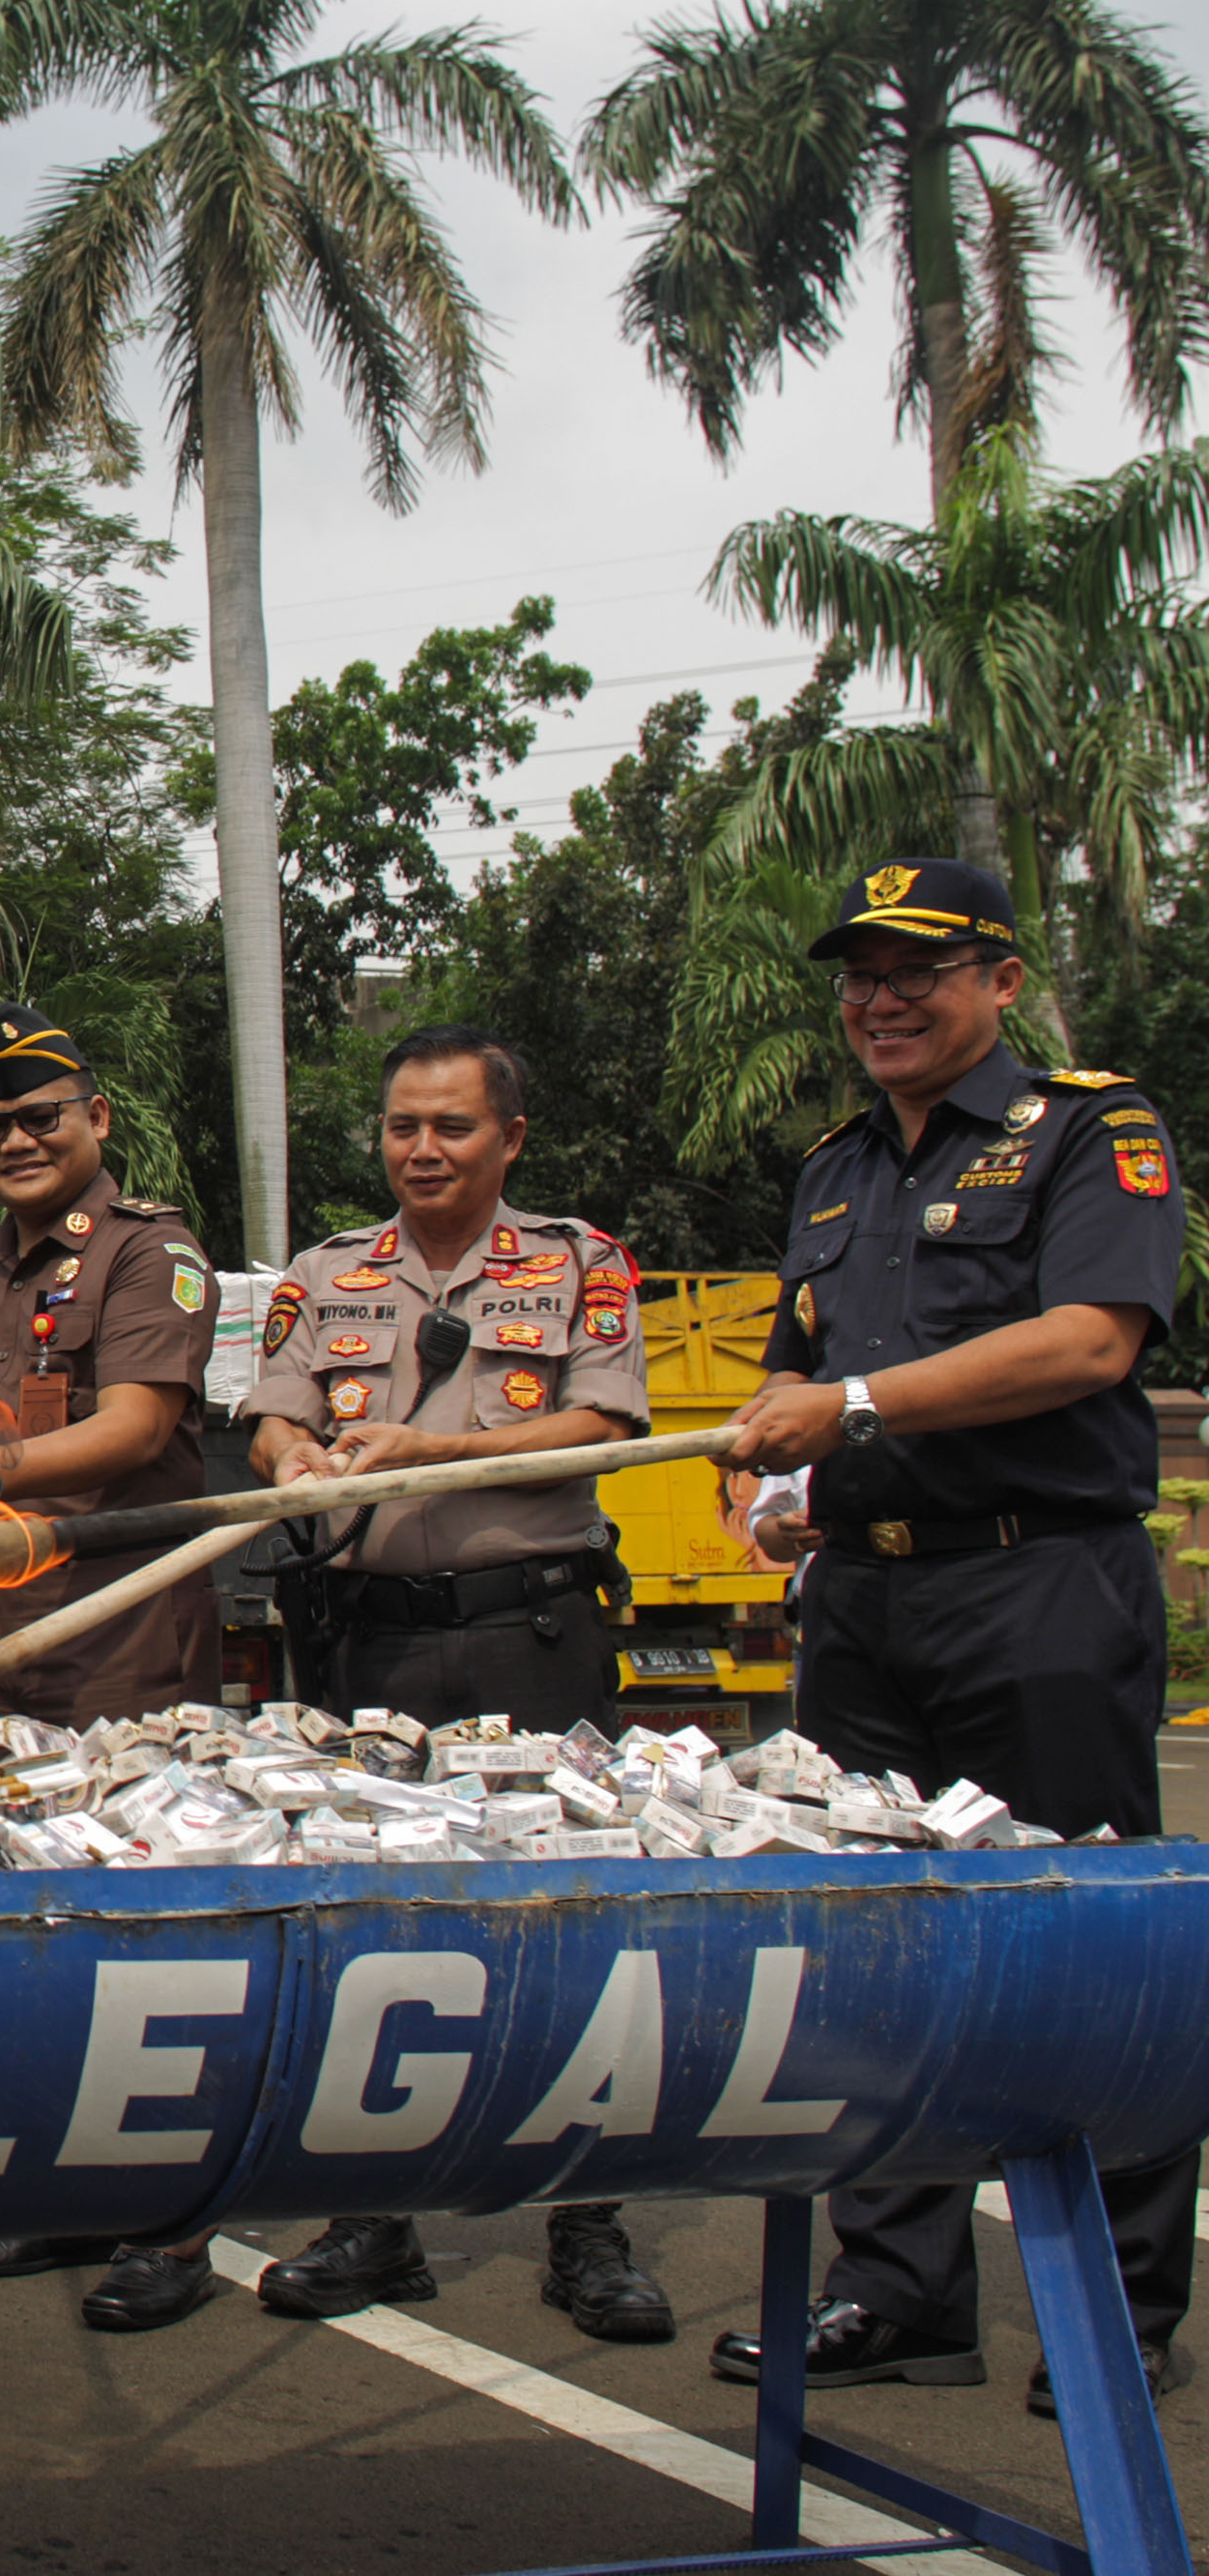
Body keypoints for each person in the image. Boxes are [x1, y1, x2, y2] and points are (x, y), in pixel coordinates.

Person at [715, 856, 1195, 2416]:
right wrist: (775, 1491)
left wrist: (847, 1408)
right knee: (876, 1948)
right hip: (866, 1598)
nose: (882, 998)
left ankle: (1119, 2307)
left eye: (918, 968)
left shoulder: (1088, 1130)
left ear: (998, 978)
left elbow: (1089, 1339)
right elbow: (794, 1386)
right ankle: (900, 2285)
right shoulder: (835, 1167)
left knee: (1088, 1942)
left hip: (1037, 1585)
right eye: (860, 972)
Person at [232, 1025, 671, 2342]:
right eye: (402, 1127)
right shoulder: (324, 1273)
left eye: (453, 1127)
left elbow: (604, 1422)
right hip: (366, 1643)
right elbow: (268, 1413)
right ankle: (377, 2214)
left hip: (524, 1631)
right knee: (378, 1928)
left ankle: (586, 2221)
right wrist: (293, 1449)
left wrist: (433, 1446)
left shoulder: (581, 1261)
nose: (422, 1149)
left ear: (509, 1138)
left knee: (568, 1924)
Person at [0, 1002, 231, 2334]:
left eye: (42, 1116)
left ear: (95, 1120)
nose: (17, 1141)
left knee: (146, 1935)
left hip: (118, 1642)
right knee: (26, 1932)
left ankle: (172, 2225)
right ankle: (59, 2181)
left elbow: (136, 1424)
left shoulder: (152, 1253)